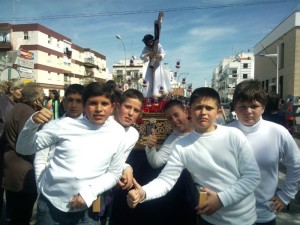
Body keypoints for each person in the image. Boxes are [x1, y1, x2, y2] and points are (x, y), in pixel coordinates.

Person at [127, 87, 261, 225]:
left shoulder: (234, 135)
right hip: (208, 219)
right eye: (198, 108)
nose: (203, 112)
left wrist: (221, 199)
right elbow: (166, 180)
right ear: (189, 111)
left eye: (209, 108)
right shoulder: (181, 145)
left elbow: (252, 176)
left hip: (244, 219)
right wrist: (143, 192)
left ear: (218, 112)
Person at [16, 82, 127, 225]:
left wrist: (89, 193)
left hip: (87, 210)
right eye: (93, 103)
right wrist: (32, 123)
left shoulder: (117, 133)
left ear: (113, 107)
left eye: (104, 104)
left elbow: (114, 173)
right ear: (85, 105)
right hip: (50, 206)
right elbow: (23, 149)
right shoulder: (61, 125)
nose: (99, 109)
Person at [228, 80, 300, 225]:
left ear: (263, 107)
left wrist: (286, 195)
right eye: (242, 106)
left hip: (264, 215)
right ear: (234, 107)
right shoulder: (225, 132)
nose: (248, 111)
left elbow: (296, 164)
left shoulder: (278, 132)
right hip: (230, 215)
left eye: (254, 106)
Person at [1, 82, 44, 225]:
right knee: (23, 215)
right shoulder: (29, 113)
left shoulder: (16, 107)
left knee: (15, 214)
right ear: (37, 97)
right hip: (23, 170)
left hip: (12, 166)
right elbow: (27, 143)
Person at [0, 78, 24, 222]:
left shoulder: (13, 103)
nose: (22, 93)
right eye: (20, 90)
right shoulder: (2, 103)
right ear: (12, 90)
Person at [145, 99, 193, 168]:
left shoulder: (201, 126)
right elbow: (156, 162)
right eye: (170, 118)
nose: (174, 120)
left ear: (186, 112)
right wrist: (150, 147)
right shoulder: (172, 140)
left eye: (176, 115)